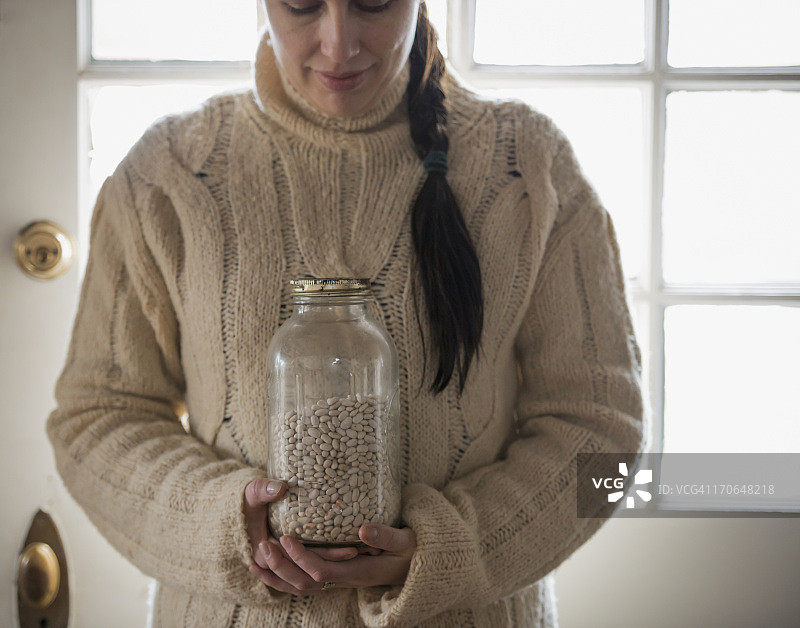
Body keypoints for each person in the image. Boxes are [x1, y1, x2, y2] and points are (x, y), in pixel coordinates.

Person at [47, 1, 646, 626]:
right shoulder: (169, 174)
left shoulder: (528, 166)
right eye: (303, 4)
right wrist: (221, 525)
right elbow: (98, 420)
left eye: (374, 2)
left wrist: (453, 550)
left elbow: (602, 435)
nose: (339, 45)